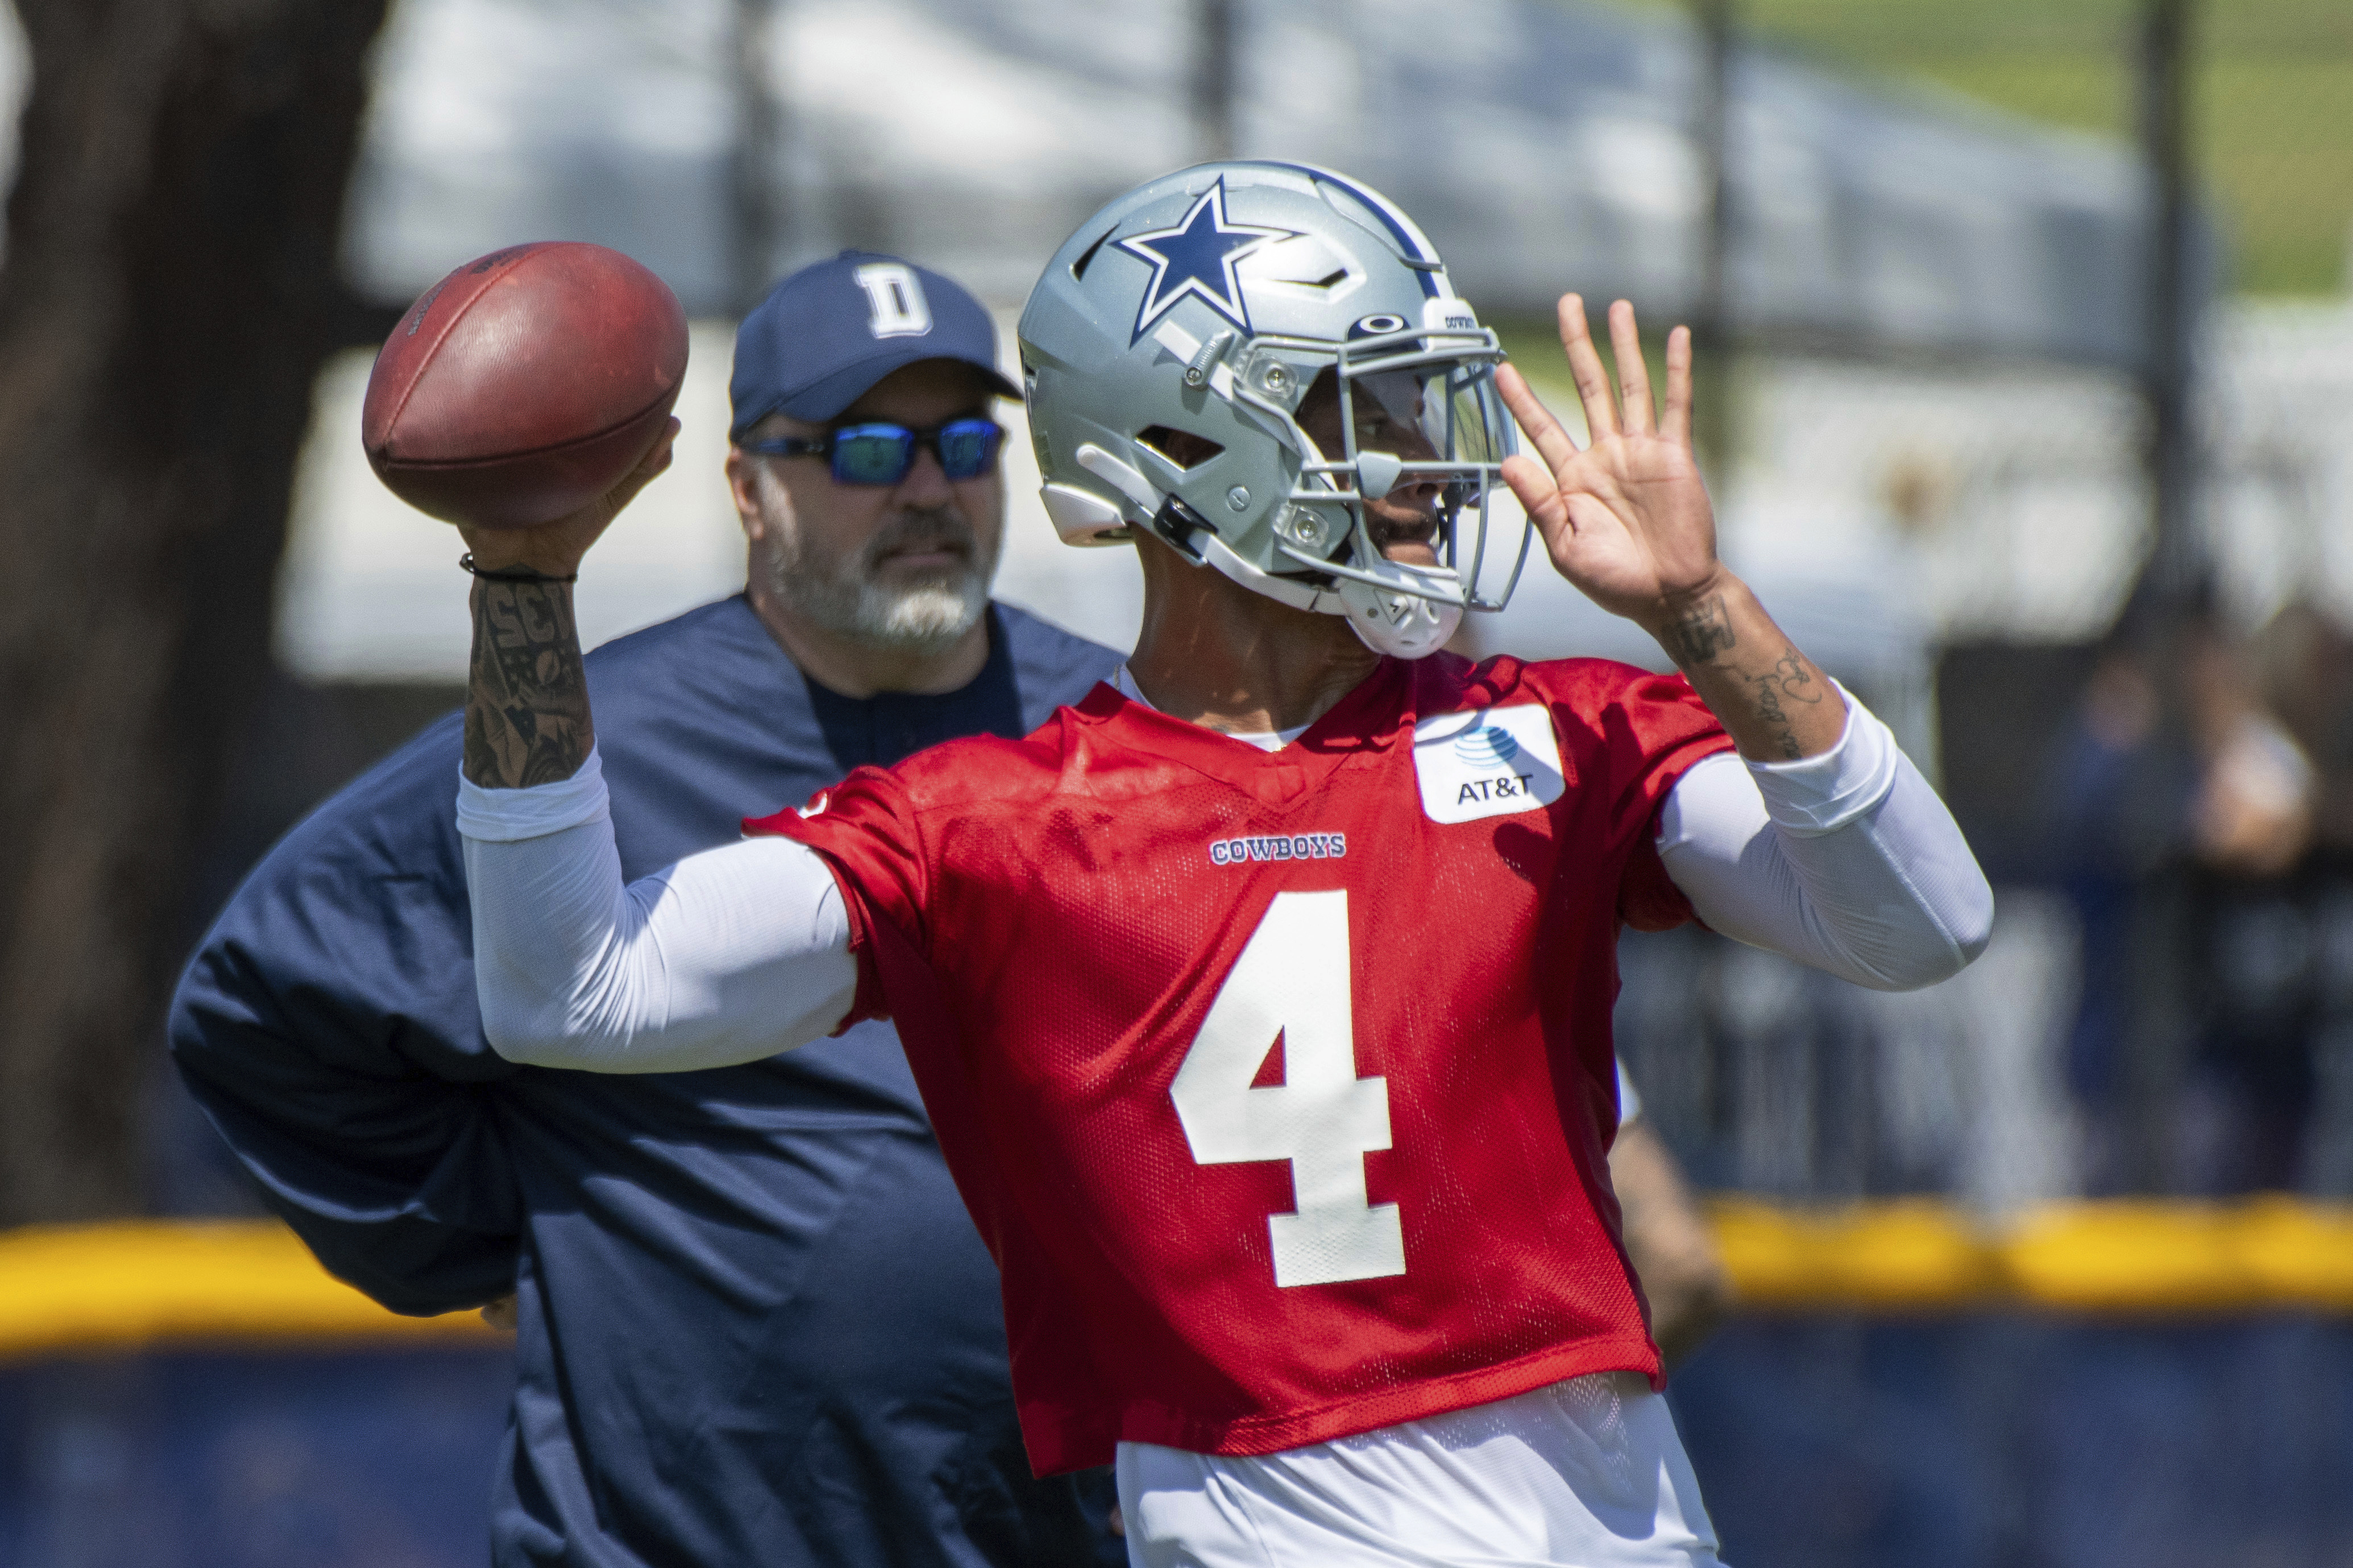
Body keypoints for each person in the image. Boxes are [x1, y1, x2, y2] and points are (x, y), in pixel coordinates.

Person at [448, 164, 1994, 1566]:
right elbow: (577, 990)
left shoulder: (1558, 734)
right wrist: (521, 584)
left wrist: (1702, 608)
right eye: (1366, 414)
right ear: (1186, 449)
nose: (1427, 468)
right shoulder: (989, 826)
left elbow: (1927, 922)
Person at [168, 253, 1127, 1567]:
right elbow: (264, 1008)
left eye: (965, 442)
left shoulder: (1118, 731)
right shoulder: (578, 745)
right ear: (748, 488)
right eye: (863, 449)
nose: (926, 487)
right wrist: (532, 1223)